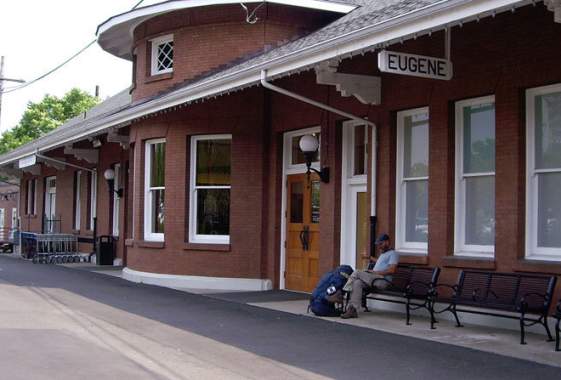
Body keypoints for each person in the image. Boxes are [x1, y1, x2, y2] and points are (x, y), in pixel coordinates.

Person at [340, 233, 399, 319]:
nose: (379, 246)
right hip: (374, 279)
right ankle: (352, 309)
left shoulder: (393, 254)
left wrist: (375, 272)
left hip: (383, 281)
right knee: (357, 283)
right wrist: (369, 258)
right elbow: (379, 262)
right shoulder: (383, 254)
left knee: (357, 272)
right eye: (378, 244)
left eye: (381, 244)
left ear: (387, 242)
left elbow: (392, 270)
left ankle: (344, 290)